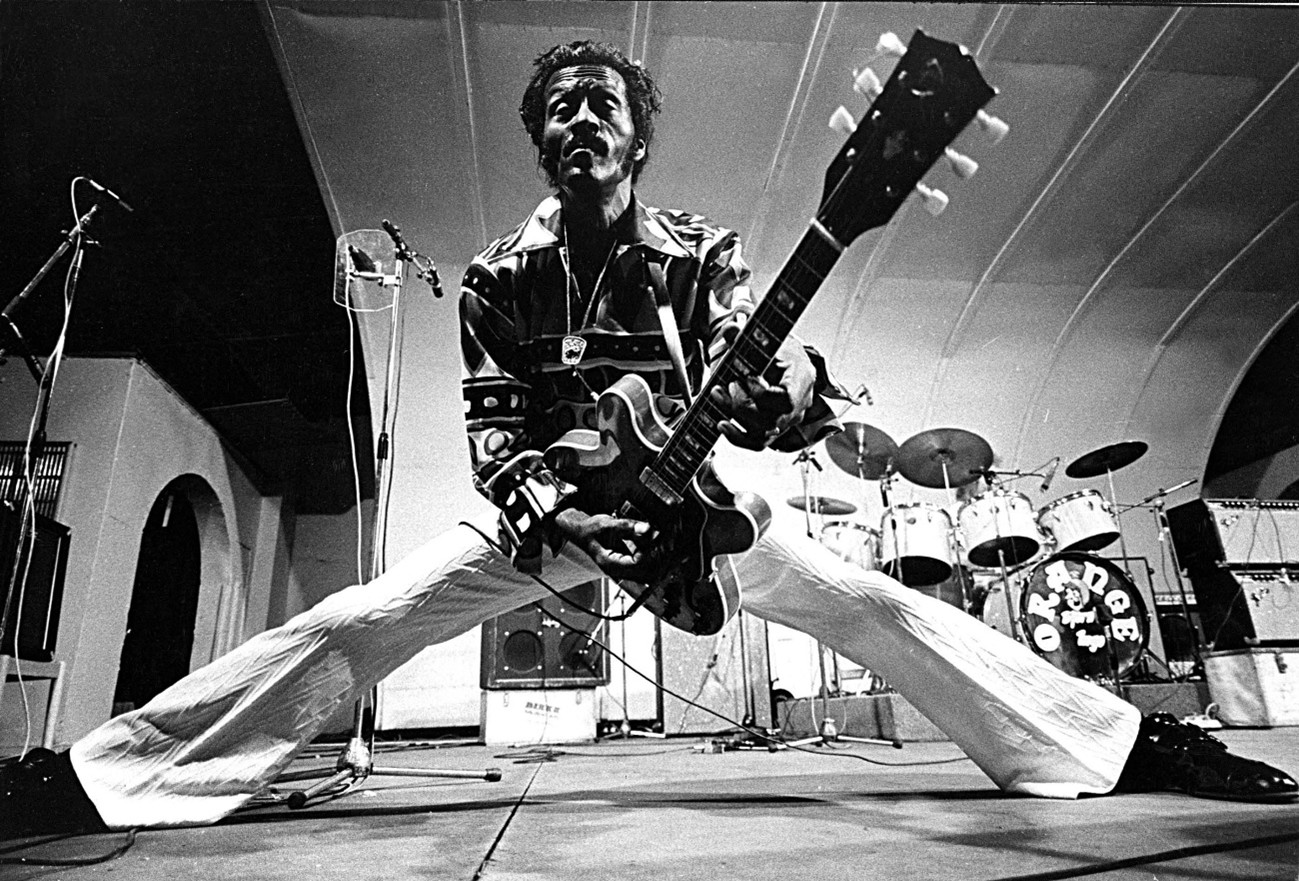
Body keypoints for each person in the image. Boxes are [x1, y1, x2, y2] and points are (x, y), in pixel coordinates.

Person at [3, 39, 1293, 841]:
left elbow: (761, 393)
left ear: (635, 135)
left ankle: (1119, 743)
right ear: (542, 139)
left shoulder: (700, 257)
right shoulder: (498, 278)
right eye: (560, 106)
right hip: (551, 522)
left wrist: (792, 396)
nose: (581, 119)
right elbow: (492, 436)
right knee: (361, 618)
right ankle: (110, 774)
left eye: (602, 103)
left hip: (699, 508)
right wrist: (556, 509)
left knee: (876, 606)